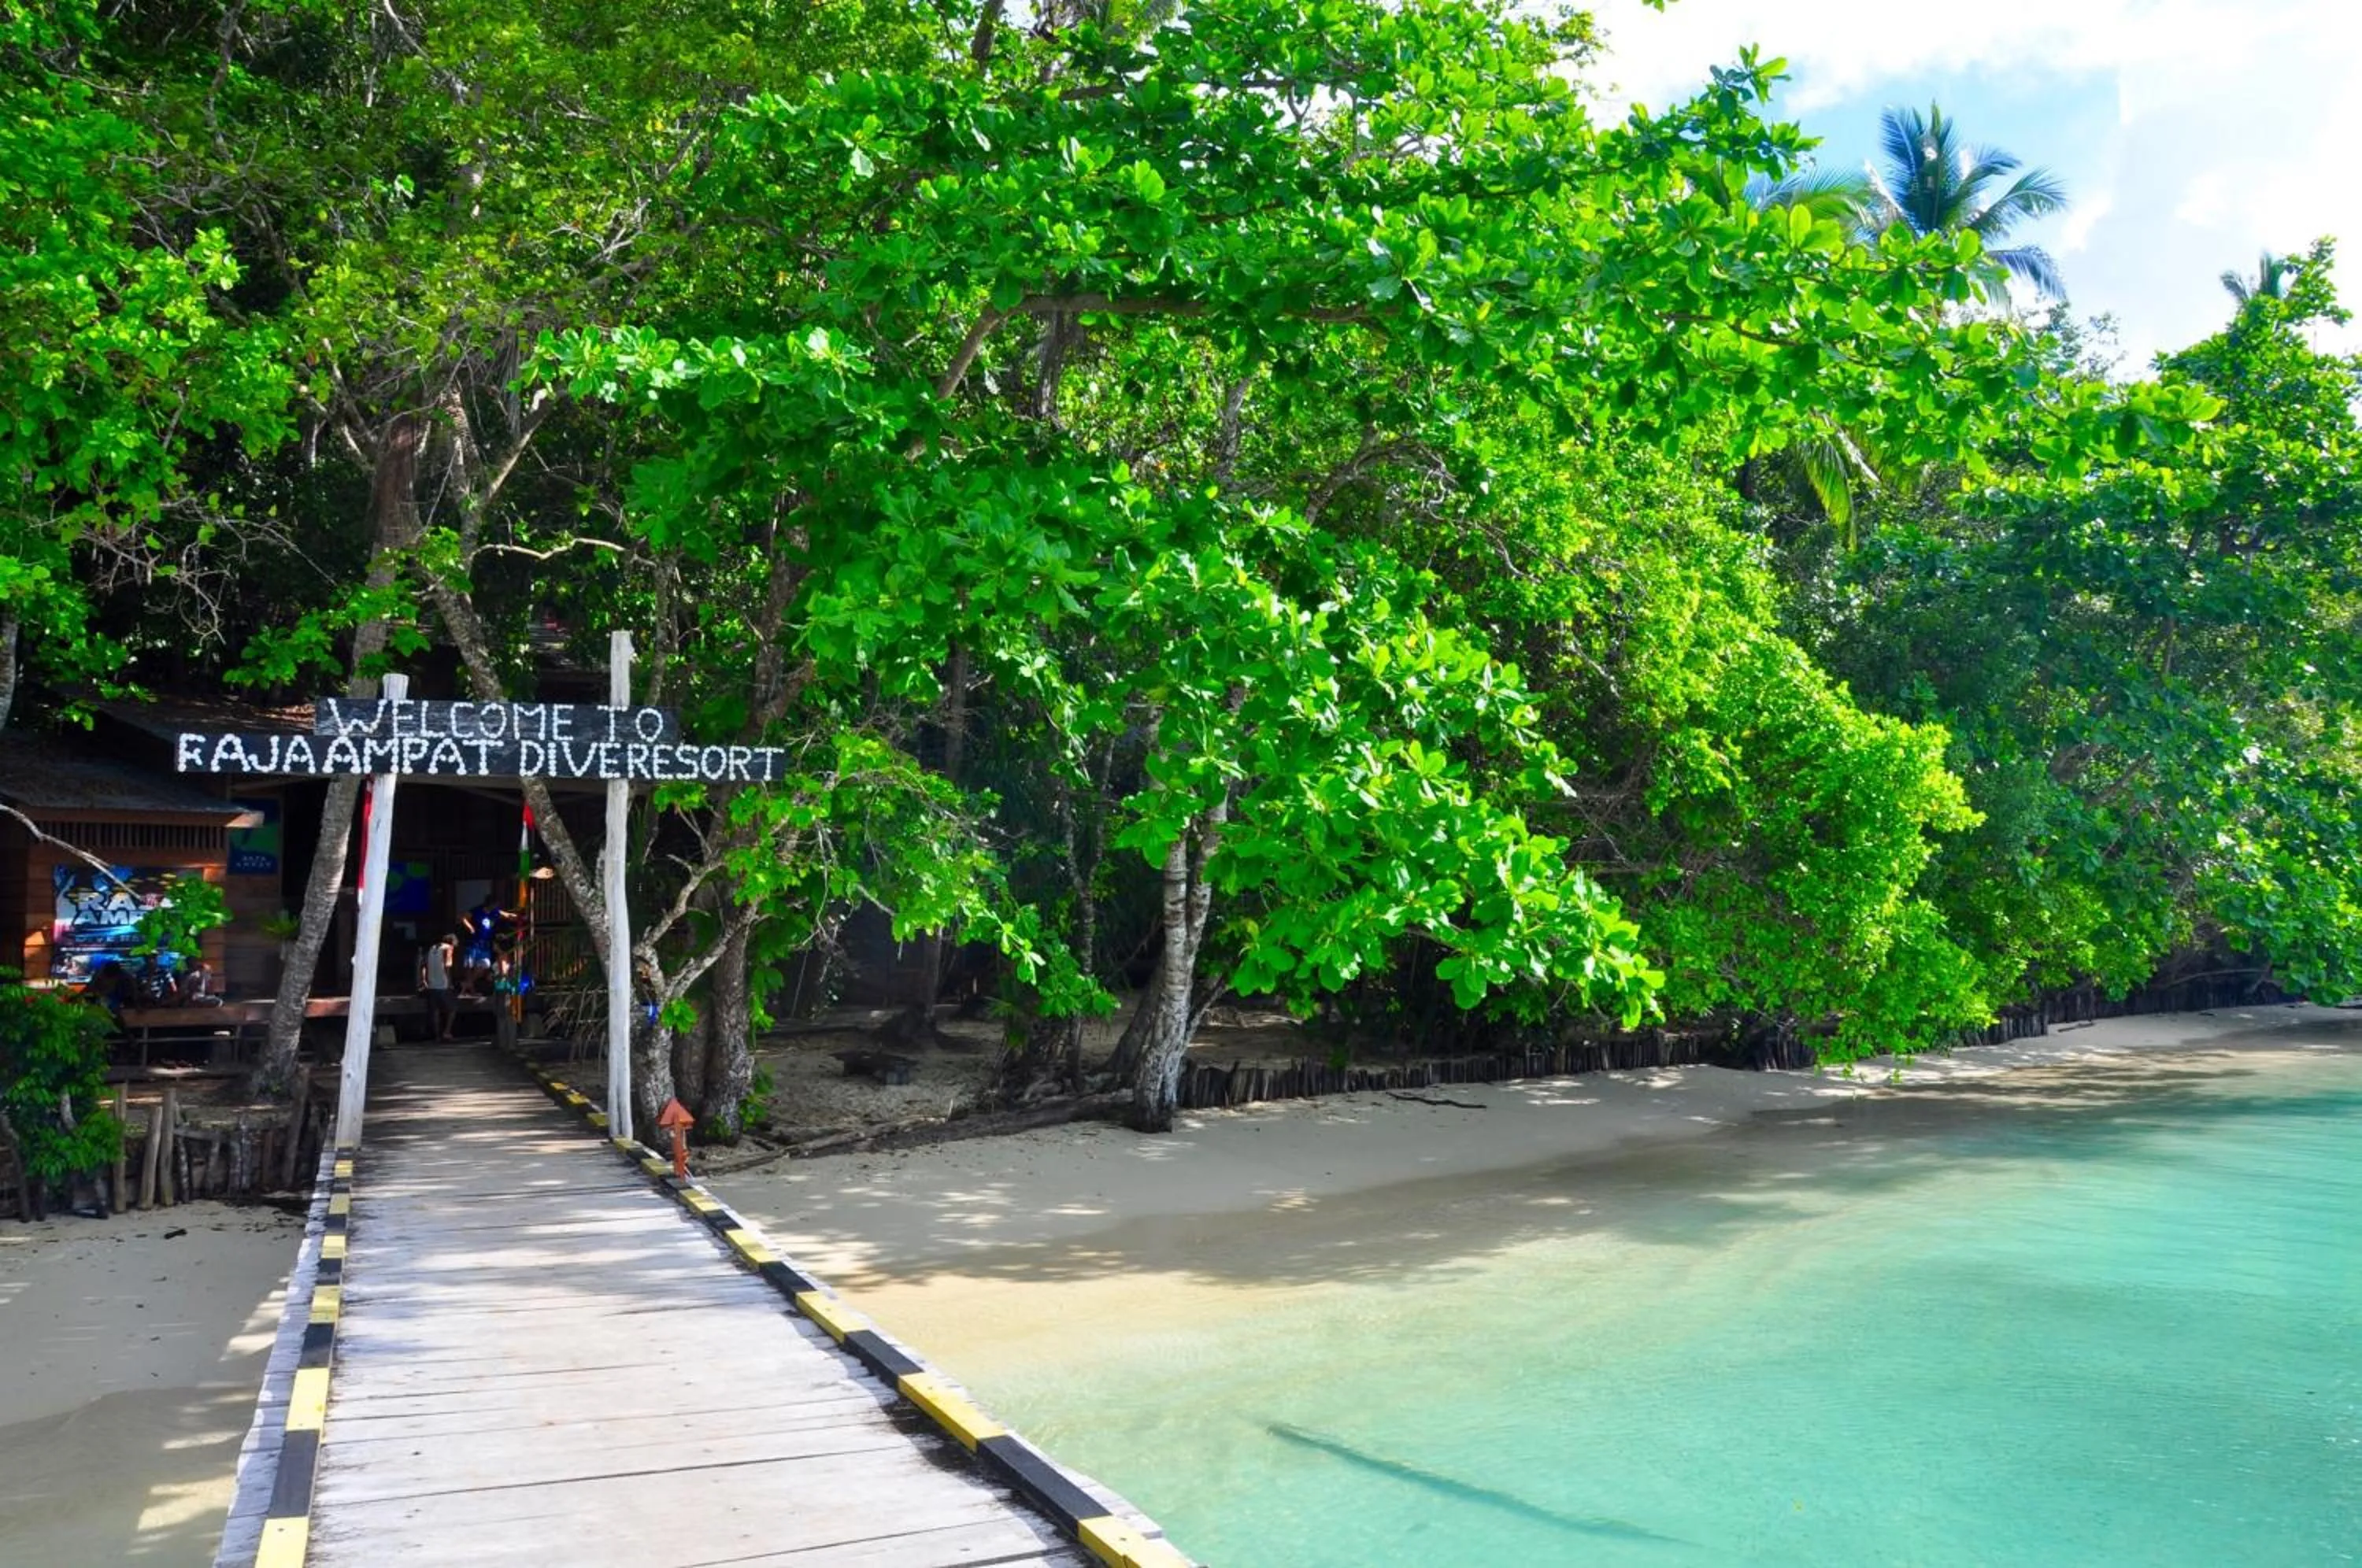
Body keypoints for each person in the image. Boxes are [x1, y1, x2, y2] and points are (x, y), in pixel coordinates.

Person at [419, 931, 458, 1041]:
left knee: (435, 1011)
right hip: (443, 984)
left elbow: (423, 965)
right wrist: (450, 982)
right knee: (452, 1009)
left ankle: (437, 1036)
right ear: (452, 942)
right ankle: (447, 1032)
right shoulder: (449, 948)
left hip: (432, 985)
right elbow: (447, 966)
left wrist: (424, 979)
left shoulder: (432, 948)